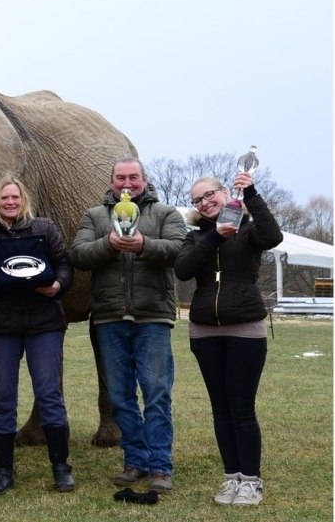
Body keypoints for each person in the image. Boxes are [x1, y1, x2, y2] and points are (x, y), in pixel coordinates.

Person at [69, 157, 186, 494]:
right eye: (120, 177)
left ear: (144, 180)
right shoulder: (95, 216)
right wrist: (108, 244)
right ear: (111, 182)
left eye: (133, 177)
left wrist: (144, 246)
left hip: (153, 316)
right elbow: (78, 254)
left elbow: (180, 251)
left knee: (156, 394)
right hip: (109, 317)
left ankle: (161, 465)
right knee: (120, 398)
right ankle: (135, 460)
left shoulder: (165, 214)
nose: (126, 183)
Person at [0, 174, 75, 494]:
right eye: (4, 198)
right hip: (1, 326)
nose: (10, 202)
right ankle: (4, 471)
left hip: (43, 323)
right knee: (3, 397)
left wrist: (58, 286)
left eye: (15, 197)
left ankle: (61, 468)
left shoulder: (45, 228)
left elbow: (65, 265)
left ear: (24, 199)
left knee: (50, 394)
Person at [174, 172, 281, 506]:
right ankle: (230, 477)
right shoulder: (194, 238)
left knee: (242, 408)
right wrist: (217, 237)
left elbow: (273, 235)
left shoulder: (250, 231)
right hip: (205, 331)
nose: (205, 202)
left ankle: (251, 480)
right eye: (198, 200)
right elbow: (183, 269)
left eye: (210, 194)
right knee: (220, 408)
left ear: (224, 193)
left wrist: (251, 193)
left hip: (245, 329)